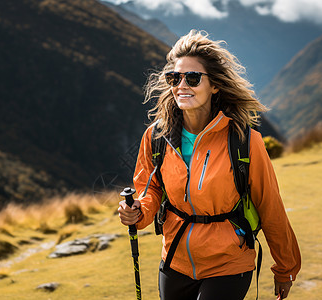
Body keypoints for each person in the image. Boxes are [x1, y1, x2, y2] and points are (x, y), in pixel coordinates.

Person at [118, 30, 301, 300]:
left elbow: (270, 206)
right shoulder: (157, 137)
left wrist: (285, 268)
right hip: (175, 259)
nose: (181, 85)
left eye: (192, 78)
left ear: (214, 85)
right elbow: (150, 190)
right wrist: (138, 212)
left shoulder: (244, 141)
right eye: (174, 78)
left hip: (228, 262)